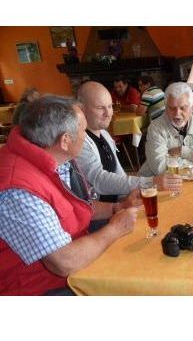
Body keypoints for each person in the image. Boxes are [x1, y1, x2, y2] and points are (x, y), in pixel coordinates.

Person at [0, 96, 140, 295]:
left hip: (74, 254)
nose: (87, 136)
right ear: (65, 140)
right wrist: (115, 228)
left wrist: (118, 207)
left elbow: (78, 206)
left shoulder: (55, 154)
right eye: (83, 130)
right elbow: (64, 262)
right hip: (39, 288)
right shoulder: (18, 190)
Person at [76, 81, 182, 203]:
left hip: (119, 205)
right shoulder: (79, 141)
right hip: (102, 214)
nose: (108, 113)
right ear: (81, 109)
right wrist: (149, 182)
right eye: (100, 108)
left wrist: (128, 197)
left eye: (110, 106)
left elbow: (118, 173)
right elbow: (99, 180)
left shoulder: (104, 134)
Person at [139, 82, 193, 176]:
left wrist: (182, 151)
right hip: (156, 184)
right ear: (165, 107)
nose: (177, 114)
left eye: (182, 108)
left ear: (192, 107)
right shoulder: (155, 128)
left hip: (192, 179)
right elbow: (160, 168)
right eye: (172, 108)